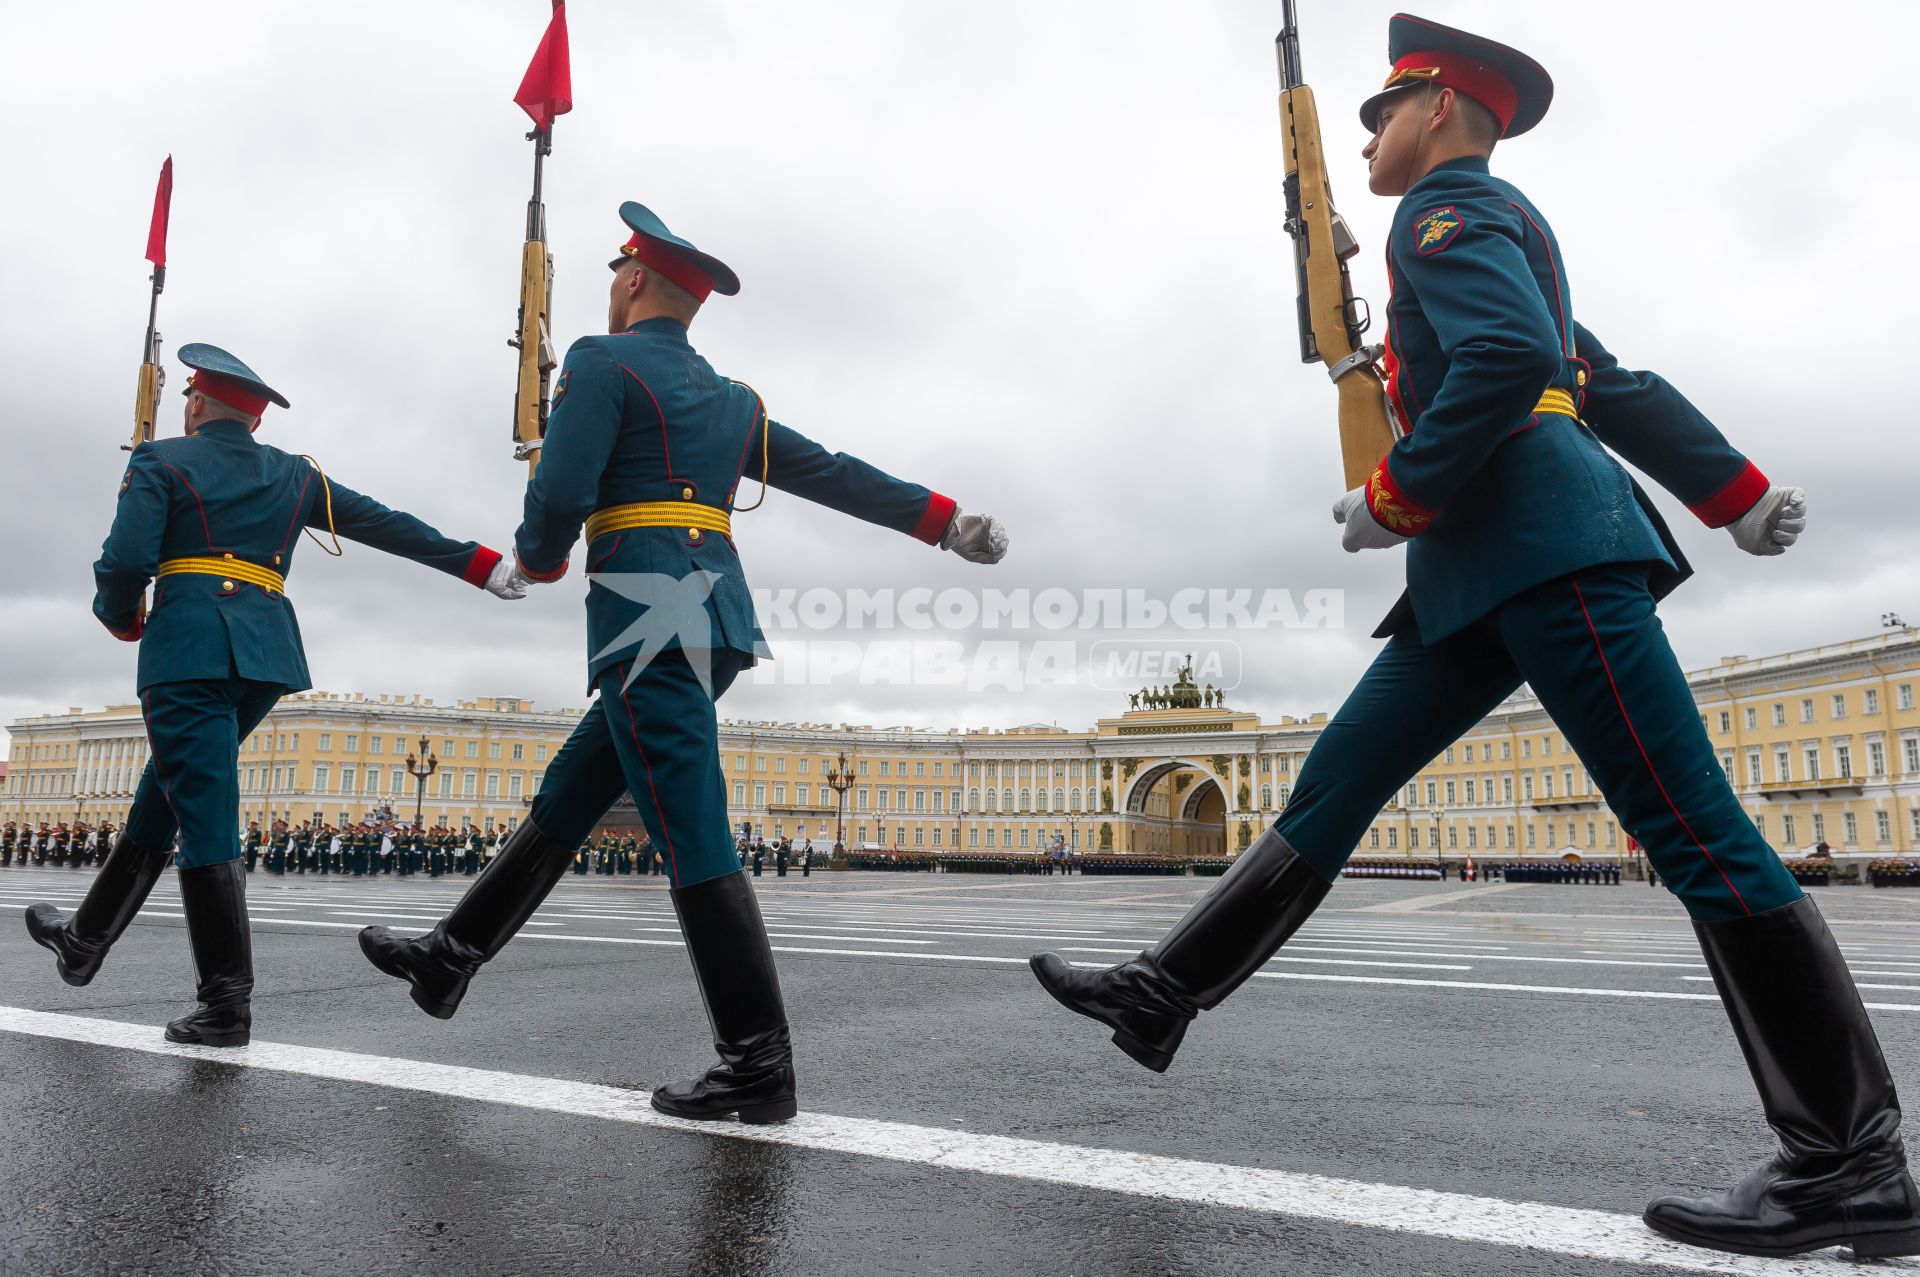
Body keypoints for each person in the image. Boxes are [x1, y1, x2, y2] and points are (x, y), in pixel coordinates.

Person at [1028, 16, 1910, 1261]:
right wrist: (1734, 489)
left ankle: (1851, 1157)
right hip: (1490, 567)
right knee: (1335, 783)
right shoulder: (1476, 232)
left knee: (1694, 827)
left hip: (1543, 552)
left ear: (1439, 109)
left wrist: (1393, 499)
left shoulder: (1443, 215)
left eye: (1381, 113)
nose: (1370, 137)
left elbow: (1510, 361)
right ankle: (1166, 990)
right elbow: (1596, 374)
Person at [359, 200, 1007, 1125]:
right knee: (573, 792)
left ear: (630, 281)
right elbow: (831, 470)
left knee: (691, 829)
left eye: (615, 278)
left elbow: (561, 498)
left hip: (642, 615)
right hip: (710, 613)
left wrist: (537, 558)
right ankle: (450, 957)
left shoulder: (599, 361)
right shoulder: (733, 400)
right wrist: (944, 521)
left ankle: (757, 1064)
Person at [23, 343, 524, 1046]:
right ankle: (83, 940)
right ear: (255, 421)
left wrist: (120, 614)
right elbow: (384, 523)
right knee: (169, 792)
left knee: (204, 816)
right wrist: (481, 565)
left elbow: (127, 561)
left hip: (188, 650)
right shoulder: (294, 475)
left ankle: (226, 1003)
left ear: (196, 402)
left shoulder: (159, 460)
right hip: (263, 654)